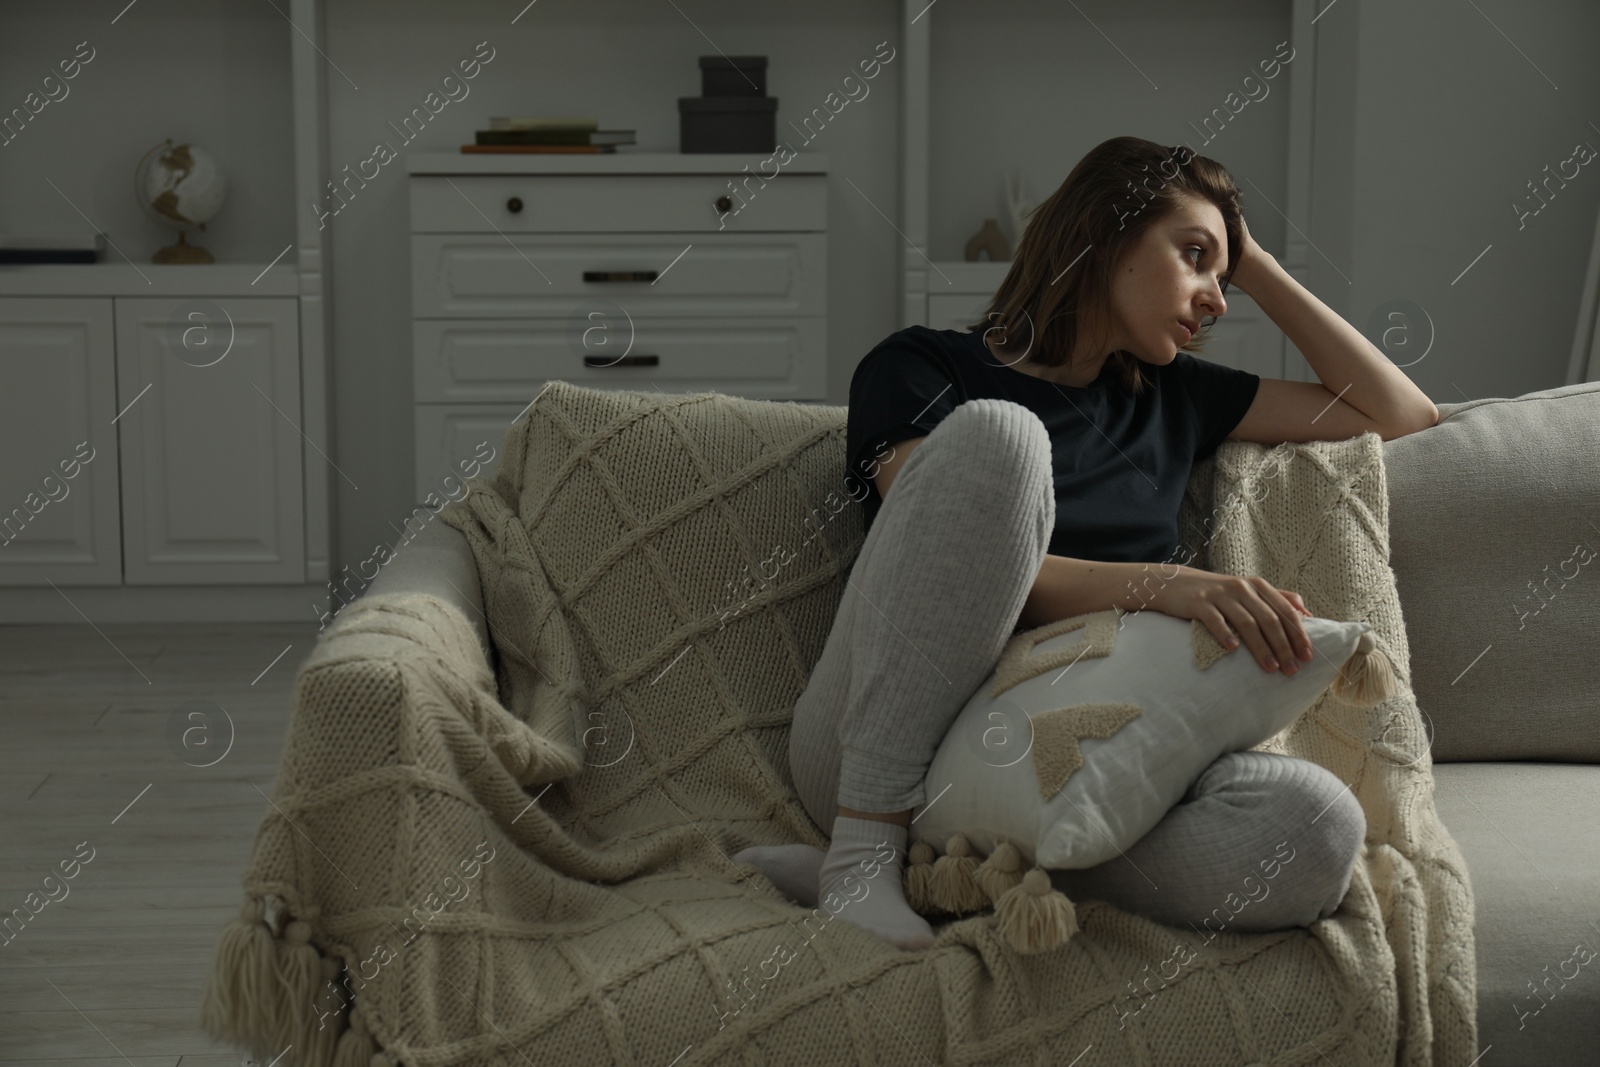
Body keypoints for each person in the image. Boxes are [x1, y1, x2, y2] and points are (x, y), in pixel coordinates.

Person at [736, 135, 1434, 950]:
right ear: (1105, 232)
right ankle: (861, 853)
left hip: (1069, 751)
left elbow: (1400, 415)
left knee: (1314, 827)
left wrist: (1255, 263)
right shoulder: (923, 365)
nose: (1217, 297)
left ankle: (950, 870)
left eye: (1223, 273)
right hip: (883, 739)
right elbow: (947, 560)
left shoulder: (1175, 399)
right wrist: (1164, 585)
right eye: (1195, 256)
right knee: (1005, 438)